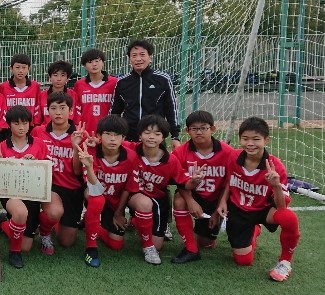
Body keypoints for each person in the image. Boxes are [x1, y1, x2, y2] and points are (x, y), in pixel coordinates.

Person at [214, 116, 300, 282]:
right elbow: (228, 181)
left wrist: (275, 185)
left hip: (263, 209)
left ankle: (285, 262)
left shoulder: (275, 166)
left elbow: (281, 207)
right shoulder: (234, 156)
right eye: (245, 139)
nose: (250, 143)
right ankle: (254, 230)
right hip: (238, 210)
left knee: (288, 218)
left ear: (266, 140)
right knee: (243, 261)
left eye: (256, 139)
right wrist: (223, 201)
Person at [125, 115, 203, 265]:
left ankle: (137, 221)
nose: (151, 137)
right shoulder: (132, 149)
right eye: (147, 132)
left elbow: (184, 182)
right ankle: (148, 248)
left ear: (163, 138)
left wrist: (194, 180)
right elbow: (111, 141)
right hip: (134, 196)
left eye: (157, 133)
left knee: (158, 245)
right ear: (140, 135)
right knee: (144, 203)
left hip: (159, 201)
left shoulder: (171, 160)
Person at [169, 110, 236, 264]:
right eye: (194, 128)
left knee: (206, 243)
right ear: (187, 131)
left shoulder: (228, 153)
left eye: (203, 128)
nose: (199, 132)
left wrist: (218, 209)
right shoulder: (179, 152)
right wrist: (190, 201)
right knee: (179, 199)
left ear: (212, 129)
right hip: (194, 196)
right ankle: (191, 249)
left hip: (217, 198)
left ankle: (253, 228)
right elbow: (179, 182)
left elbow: (230, 182)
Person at [76, 114, 141, 267]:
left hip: (115, 202)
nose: (113, 139)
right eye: (108, 134)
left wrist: (119, 213)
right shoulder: (91, 151)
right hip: (95, 197)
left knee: (116, 245)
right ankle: (91, 247)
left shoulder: (131, 157)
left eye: (117, 135)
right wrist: (89, 166)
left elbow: (128, 188)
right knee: (96, 197)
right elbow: (94, 187)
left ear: (123, 137)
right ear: (99, 136)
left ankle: (92, 224)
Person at [31, 91, 85, 255]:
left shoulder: (79, 134)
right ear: (48, 111)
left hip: (72, 188)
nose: (58, 112)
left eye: (63, 108)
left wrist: (76, 146)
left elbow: (77, 170)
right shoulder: (38, 132)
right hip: (49, 185)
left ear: (71, 111)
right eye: (53, 108)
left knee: (67, 241)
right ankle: (45, 233)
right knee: (55, 212)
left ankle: (47, 222)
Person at [0, 105, 49, 269]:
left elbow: (46, 172)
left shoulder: (39, 144)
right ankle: (14, 252)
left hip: (32, 194)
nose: (21, 127)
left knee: (27, 246)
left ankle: (4, 223)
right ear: (9, 125)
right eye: (16, 123)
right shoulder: (2, 146)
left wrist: (36, 164)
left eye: (25, 123)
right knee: (20, 212)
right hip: (11, 194)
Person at [110, 39, 180, 146]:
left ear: (150, 57)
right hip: (129, 137)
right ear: (130, 59)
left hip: (155, 135)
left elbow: (171, 108)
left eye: (142, 55)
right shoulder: (122, 82)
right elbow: (114, 112)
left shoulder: (163, 79)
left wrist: (175, 136)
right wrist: (113, 133)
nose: (138, 59)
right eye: (134, 55)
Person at [74, 48, 117, 135]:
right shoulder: (79, 84)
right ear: (84, 66)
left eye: (97, 61)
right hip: (86, 131)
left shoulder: (114, 82)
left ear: (103, 62)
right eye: (90, 62)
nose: (94, 64)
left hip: (109, 130)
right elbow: (77, 109)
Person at [0, 54, 42, 126]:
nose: (21, 71)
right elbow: (1, 107)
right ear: (11, 68)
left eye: (24, 67)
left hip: (29, 126)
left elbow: (38, 106)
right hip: (10, 127)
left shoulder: (35, 86)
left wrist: (36, 123)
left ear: (29, 68)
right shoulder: (3, 87)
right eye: (17, 67)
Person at [39, 60, 76, 126]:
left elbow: (77, 120)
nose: (59, 79)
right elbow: (38, 120)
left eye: (62, 75)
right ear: (50, 77)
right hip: (46, 133)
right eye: (55, 75)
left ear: (67, 78)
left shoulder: (74, 95)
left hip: (68, 133)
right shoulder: (41, 95)